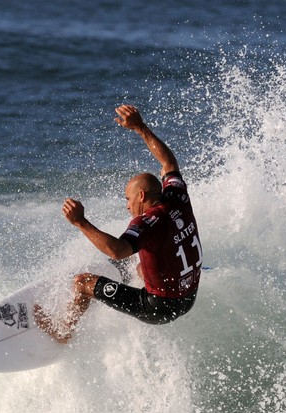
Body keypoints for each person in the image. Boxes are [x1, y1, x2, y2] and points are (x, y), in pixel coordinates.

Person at [34, 104, 202, 343]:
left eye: (128, 199)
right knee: (139, 266)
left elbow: (118, 250)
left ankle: (64, 331)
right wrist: (140, 128)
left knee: (83, 282)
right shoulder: (177, 196)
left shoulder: (147, 223)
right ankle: (131, 280)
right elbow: (169, 163)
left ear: (141, 196)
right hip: (189, 295)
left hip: (158, 306)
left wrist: (80, 222)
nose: (127, 205)